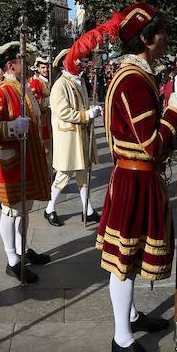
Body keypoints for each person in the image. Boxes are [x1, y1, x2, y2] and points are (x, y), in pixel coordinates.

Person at [96, 2, 177, 352]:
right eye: (162, 32)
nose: (167, 38)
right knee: (123, 262)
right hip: (134, 180)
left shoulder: (139, 75)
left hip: (140, 177)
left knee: (131, 255)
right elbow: (152, 143)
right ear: (147, 38)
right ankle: (122, 339)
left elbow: (154, 139)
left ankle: (132, 315)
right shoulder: (134, 80)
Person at [0, 41, 52, 283]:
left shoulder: (24, 89)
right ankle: (12, 260)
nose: (29, 65)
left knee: (25, 209)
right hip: (10, 166)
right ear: (11, 65)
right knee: (11, 212)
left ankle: (22, 249)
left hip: (28, 159)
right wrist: (10, 127)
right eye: (24, 61)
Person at [44, 46, 103, 227]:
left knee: (83, 173)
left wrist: (93, 111)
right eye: (75, 59)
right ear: (65, 62)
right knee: (64, 174)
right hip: (68, 138)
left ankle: (88, 209)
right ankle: (49, 208)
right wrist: (87, 115)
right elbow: (64, 112)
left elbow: (83, 106)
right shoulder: (60, 84)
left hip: (82, 135)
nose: (79, 62)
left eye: (79, 59)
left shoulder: (80, 81)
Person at [28, 56, 52, 149]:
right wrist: (52, 99)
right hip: (43, 120)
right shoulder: (36, 83)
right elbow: (37, 103)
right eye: (43, 68)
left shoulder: (47, 82)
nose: (46, 70)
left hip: (50, 119)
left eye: (47, 67)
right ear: (38, 69)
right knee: (46, 148)